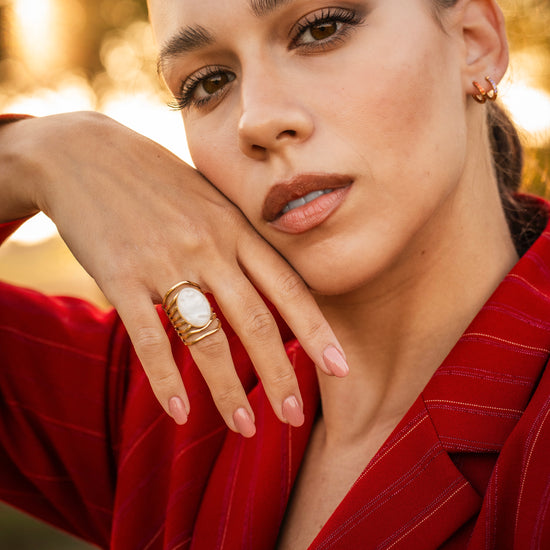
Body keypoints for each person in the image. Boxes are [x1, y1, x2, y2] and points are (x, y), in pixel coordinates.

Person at [0, 0, 549, 548]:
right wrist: (33, 154)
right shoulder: (172, 391)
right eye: (208, 83)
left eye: (320, 29)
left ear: (476, 41)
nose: (256, 121)